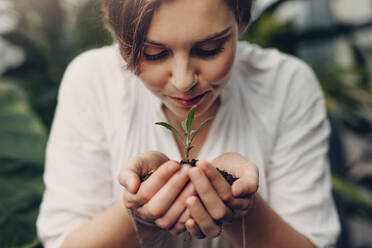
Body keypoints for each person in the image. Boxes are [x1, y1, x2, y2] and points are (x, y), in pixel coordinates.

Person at [36, 0, 341, 247]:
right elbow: (64, 240)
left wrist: (240, 208)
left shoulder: (286, 85)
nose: (183, 83)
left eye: (208, 50)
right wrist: (139, 216)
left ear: (241, 21)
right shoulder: (93, 81)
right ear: (120, 38)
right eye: (153, 54)